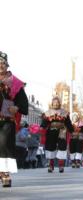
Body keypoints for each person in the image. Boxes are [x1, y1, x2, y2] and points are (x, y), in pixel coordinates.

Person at [0, 51, 29, 187]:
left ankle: (5, 173)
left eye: (2, 63)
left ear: (7, 65)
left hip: (6, 119)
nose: (0, 65)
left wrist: (17, 108)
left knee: (4, 143)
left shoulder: (14, 82)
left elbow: (23, 102)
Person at [40, 96, 74, 173]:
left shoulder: (64, 112)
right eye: (54, 102)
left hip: (62, 131)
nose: (56, 104)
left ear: (60, 103)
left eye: (57, 102)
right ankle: (51, 165)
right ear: (52, 103)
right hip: (51, 131)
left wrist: (71, 130)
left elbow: (68, 122)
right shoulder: (47, 112)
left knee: (62, 147)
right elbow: (44, 122)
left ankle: (61, 165)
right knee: (50, 147)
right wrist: (42, 127)